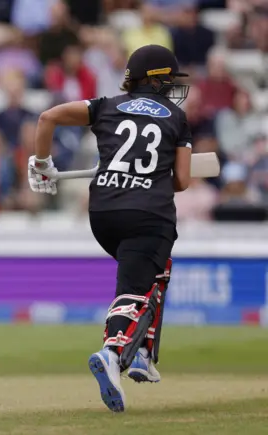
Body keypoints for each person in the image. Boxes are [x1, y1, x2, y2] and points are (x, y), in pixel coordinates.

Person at [27, 45, 192, 413]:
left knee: (157, 270)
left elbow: (47, 117)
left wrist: (41, 164)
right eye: (168, 78)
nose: (173, 85)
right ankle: (113, 352)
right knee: (135, 288)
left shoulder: (105, 105)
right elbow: (181, 180)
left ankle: (143, 355)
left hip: (103, 212)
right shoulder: (177, 117)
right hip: (148, 214)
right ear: (156, 79)